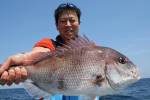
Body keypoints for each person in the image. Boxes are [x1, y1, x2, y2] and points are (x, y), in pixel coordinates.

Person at [0, 3, 83, 100]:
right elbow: (40, 52)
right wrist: (25, 58)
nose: (68, 24)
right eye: (63, 21)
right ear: (57, 26)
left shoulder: (91, 52)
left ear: (79, 23)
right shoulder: (48, 44)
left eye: (72, 20)